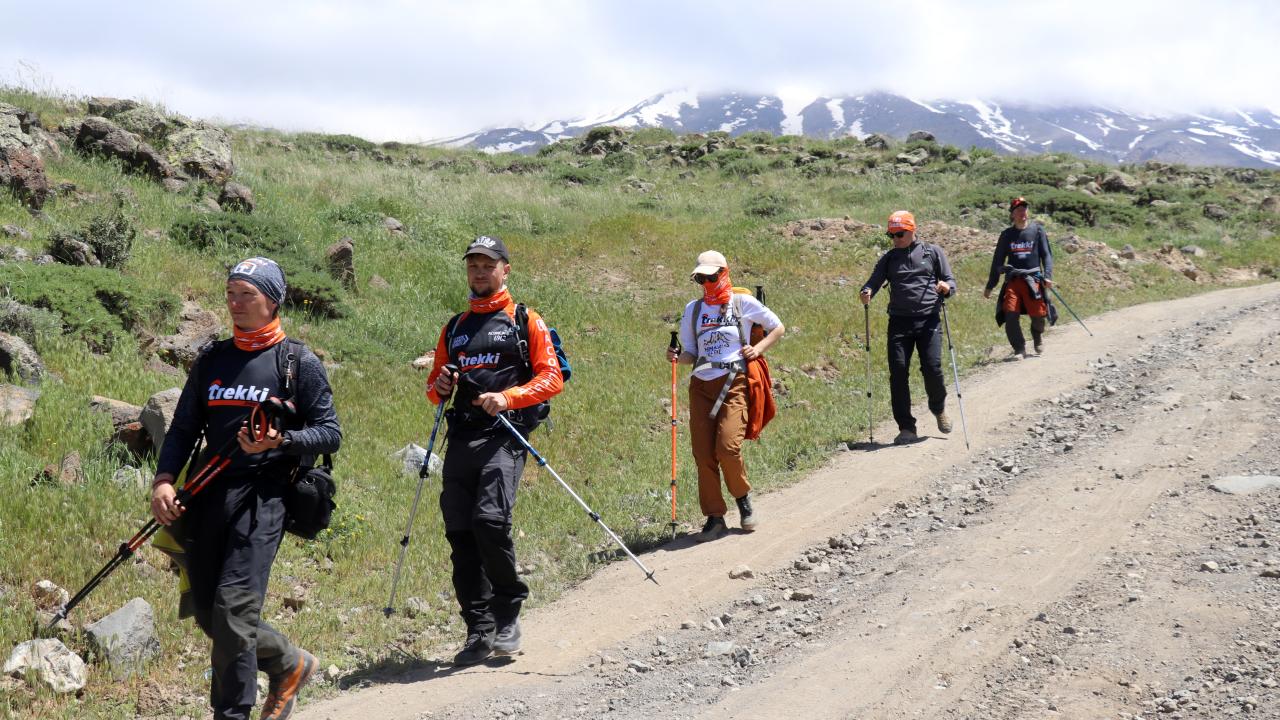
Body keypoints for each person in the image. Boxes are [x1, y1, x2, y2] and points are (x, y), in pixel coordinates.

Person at [151, 257, 341, 720]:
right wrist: (164, 480)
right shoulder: (212, 359)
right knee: (207, 611)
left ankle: (231, 713)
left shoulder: (297, 362)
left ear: (273, 301)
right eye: (231, 293)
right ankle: (288, 663)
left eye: (247, 294)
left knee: (234, 610)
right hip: (206, 495)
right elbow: (183, 428)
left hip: (264, 497)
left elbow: (330, 433)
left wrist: (283, 441)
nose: (236, 303)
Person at [425, 235, 563, 666]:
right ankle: (478, 629)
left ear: (505, 270)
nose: (480, 272)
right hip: (461, 438)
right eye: (474, 266)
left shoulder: (525, 320)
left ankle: (507, 613)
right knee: (460, 534)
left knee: (489, 521)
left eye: (488, 265)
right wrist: (440, 385)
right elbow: (433, 390)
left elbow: (552, 378)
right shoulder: (455, 327)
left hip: (506, 435)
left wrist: (508, 397)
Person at [668, 250, 784, 542]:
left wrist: (757, 349)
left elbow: (777, 327)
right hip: (701, 385)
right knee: (703, 453)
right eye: (701, 279)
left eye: (711, 277)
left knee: (727, 447)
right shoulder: (694, 309)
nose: (707, 283)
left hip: (734, 381)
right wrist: (677, 356)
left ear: (724, 273)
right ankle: (714, 517)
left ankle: (743, 499)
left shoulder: (742, 302)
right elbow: (690, 353)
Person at [859, 211, 956, 445]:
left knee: (932, 368)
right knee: (898, 372)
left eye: (900, 234)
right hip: (899, 322)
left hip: (928, 320)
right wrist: (867, 291)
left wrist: (946, 287)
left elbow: (950, 281)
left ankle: (938, 408)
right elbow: (873, 281)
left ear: (912, 230)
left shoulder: (932, 252)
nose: (895, 239)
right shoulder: (889, 258)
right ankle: (906, 427)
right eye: (891, 235)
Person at [984, 196, 1054, 359]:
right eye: (1019, 210)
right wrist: (990, 285)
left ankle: (1037, 336)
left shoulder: (1038, 231)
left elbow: (1047, 255)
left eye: (1024, 209)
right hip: (1014, 281)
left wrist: (1047, 275)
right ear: (1012, 214)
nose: (1023, 212)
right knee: (1010, 313)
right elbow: (997, 261)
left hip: (1033, 279)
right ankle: (1019, 348)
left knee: (1038, 315)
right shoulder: (1007, 235)